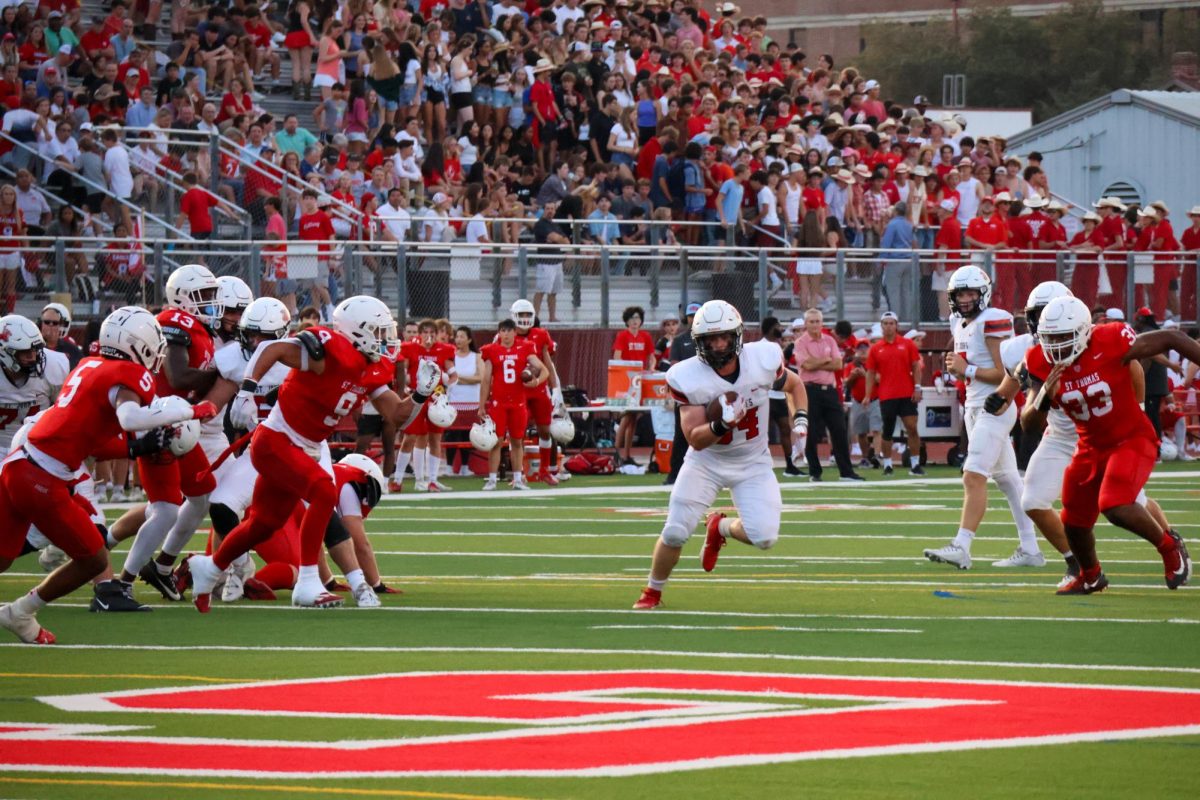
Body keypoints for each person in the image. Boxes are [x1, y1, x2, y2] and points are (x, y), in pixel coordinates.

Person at [188, 295, 440, 612]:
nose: (384, 339)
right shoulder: (330, 349)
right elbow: (271, 348)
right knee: (323, 489)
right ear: (357, 330)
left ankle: (209, 567)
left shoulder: (369, 367)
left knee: (263, 524)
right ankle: (308, 583)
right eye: (377, 331)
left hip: (302, 447)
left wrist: (420, 394)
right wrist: (248, 390)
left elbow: (396, 415)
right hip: (276, 439)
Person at [0, 307, 215, 643]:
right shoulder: (127, 374)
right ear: (136, 344)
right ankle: (21, 611)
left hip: (21, 462)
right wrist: (190, 409)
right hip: (43, 476)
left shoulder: (90, 364)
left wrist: (141, 445)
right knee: (94, 558)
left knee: (3, 557)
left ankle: (20, 613)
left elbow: (96, 435)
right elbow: (129, 418)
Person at [632, 300, 809, 610]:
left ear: (737, 336)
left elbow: (795, 386)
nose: (718, 344)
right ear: (699, 343)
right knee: (674, 532)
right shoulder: (686, 375)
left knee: (765, 537)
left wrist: (801, 421)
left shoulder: (762, 358)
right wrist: (721, 423)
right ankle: (652, 591)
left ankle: (720, 527)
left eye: (724, 336)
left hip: (753, 462)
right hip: (707, 463)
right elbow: (694, 439)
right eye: (710, 339)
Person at [1024, 295, 1195, 593]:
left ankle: (1169, 547)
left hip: (1131, 437)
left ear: (1083, 331)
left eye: (1064, 336)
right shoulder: (1039, 359)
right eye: (1050, 338)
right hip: (1090, 445)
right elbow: (1029, 425)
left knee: (1115, 504)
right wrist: (1044, 396)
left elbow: (1172, 337)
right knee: (1073, 522)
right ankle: (1090, 576)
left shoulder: (1111, 337)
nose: (1056, 344)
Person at [120, 265, 224, 602]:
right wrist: (219, 374)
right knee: (165, 509)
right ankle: (121, 582)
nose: (210, 302)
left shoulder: (198, 327)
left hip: (180, 422)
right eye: (203, 296)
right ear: (182, 297)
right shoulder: (173, 322)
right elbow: (178, 377)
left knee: (201, 496)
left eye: (212, 295)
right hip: (158, 422)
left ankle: (162, 567)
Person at [924, 266, 1038, 570]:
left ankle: (962, 545)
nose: (964, 299)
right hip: (974, 408)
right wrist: (961, 368)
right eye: (960, 293)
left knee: (973, 474)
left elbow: (1006, 373)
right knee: (1010, 482)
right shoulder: (957, 323)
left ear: (983, 294)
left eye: (970, 293)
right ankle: (1031, 548)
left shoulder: (993, 320)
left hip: (995, 407)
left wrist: (966, 370)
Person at [792, 308, 861, 481]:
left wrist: (818, 363)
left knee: (839, 429)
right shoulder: (800, 343)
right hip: (809, 390)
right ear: (806, 323)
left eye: (817, 321)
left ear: (822, 323)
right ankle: (815, 472)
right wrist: (826, 361)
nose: (815, 325)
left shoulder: (829, 340)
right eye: (811, 321)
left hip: (829, 390)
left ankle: (846, 472)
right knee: (812, 432)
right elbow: (806, 365)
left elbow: (838, 365)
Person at [478, 318, 546, 491]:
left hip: (518, 402)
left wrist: (536, 381)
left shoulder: (525, 348)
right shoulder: (491, 350)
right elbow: (486, 380)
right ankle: (492, 479)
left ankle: (517, 479)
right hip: (498, 402)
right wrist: (481, 405)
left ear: (515, 332)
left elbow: (543, 369)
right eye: (503, 331)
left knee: (517, 441)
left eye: (509, 331)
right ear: (499, 333)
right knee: (496, 442)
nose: (506, 334)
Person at [392, 319, 457, 492]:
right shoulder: (410, 348)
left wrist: (446, 388)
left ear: (437, 335)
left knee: (435, 439)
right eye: (425, 332)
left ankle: (432, 480)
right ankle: (398, 480)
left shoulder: (444, 350)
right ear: (420, 334)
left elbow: (453, 375)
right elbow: (403, 372)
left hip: (435, 399)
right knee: (410, 438)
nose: (429, 336)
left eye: (432, 333)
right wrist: (405, 387)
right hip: (416, 397)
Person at [510, 299, 564, 485]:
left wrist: (555, 388)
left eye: (527, 314)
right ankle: (519, 473)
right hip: (518, 390)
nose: (525, 318)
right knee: (518, 432)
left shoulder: (540, 334)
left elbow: (548, 363)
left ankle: (544, 470)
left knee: (544, 430)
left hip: (539, 388)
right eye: (521, 315)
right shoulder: (506, 335)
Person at [864, 312, 924, 476]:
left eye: (892, 323)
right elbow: (870, 372)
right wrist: (867, 395)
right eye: (886, 323)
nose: (889, 326)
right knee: (888, 430)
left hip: (906, 392)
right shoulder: (876, 348)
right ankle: (888, 464)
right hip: (887, 394)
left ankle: (915, 463)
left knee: (912, 427)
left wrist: (917, 387)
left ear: (896, 325)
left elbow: (915, 366)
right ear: (881, 326)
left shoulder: (907, 344)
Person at [612, 305, 656, 466]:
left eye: (637, 318)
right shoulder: (622, 336)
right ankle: (617, 453)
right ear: (627, 321)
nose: (634, 321)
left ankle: (627, 455)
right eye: (631, 318)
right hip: (627, 381)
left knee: (634, 419)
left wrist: (650, 369)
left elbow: (651, 357)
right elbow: (617, 357)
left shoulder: (645, 336)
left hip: (640, 380)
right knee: (626, 417)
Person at [664, 302, 701, 485]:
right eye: (691, 315)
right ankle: (674, 473)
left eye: (696, 315)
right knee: (681, 435)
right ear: (686, 318)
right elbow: (674, 368)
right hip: (686, 394)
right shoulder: (680, 340)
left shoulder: (707, 340)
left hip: (706, 392)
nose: (693, 319)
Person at [761, 316, 802, 477]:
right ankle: (761, 465)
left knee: (785, 428)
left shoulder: (777, 346)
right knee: (763, 432)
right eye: (778, 326)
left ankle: (790, 465)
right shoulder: (762, 346)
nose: (780, 329)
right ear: (771, 328)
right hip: (766, 395)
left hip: (779, 395)